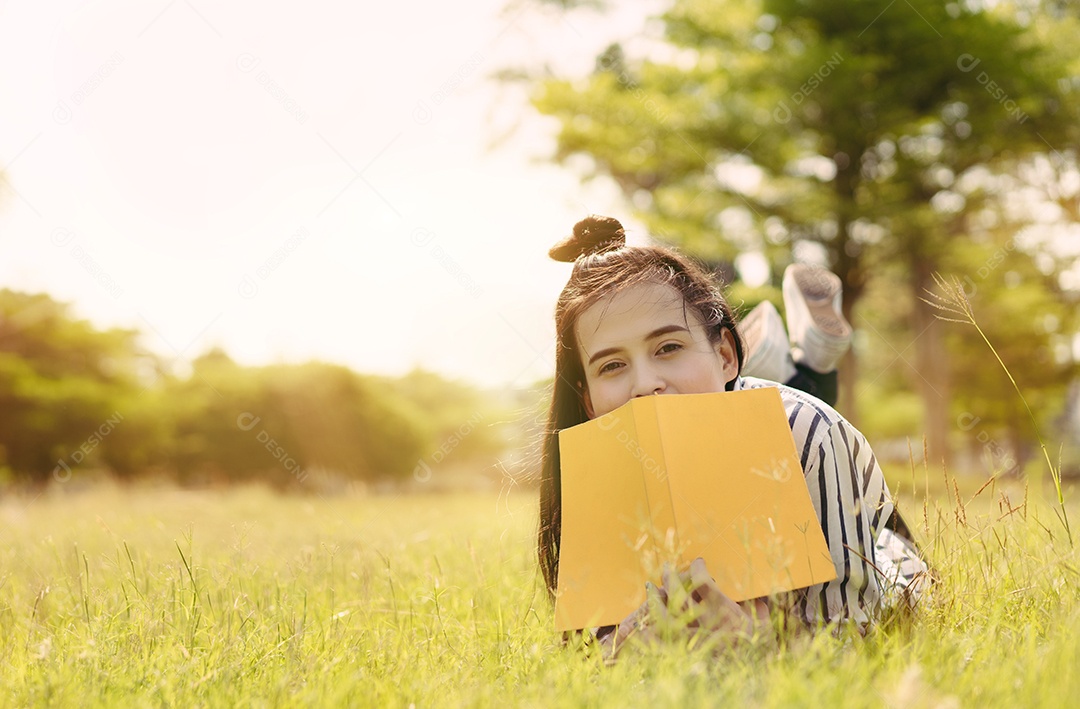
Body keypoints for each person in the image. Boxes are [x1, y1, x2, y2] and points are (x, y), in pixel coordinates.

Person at [538, 215, 926, 653]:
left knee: (795, 405)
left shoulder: (811, 434)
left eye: (668, 347)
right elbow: (591, 643)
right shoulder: (596, 462)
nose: (645, 383)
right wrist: (622, 654)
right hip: (720, 385)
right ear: (588, 399)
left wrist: (754, 649)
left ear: (724, 353)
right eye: (612, 365)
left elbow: (857, 636)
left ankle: (807, 363)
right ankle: (771, 359)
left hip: (886, 563)